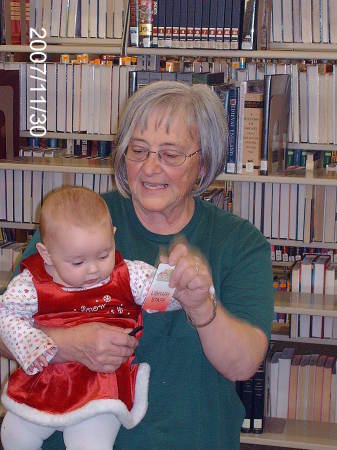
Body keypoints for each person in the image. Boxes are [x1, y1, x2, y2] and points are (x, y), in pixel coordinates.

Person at [1, 81, 274, 450]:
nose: (149, 168)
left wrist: (200, 307)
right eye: (138, 150)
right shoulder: (78, 223)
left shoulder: (238, 242)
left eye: (170, 154)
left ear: (203, 163)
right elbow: (5, 324)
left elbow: (242, 365)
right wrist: (69, 344)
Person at [0, 185, 208, 450]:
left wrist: (181, 282)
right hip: (46, 382)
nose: (94, 269)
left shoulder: (126, 275)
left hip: (101, 386)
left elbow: (160, 296)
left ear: (112, 236)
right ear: (46, 255)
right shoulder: (32, 284)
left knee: (90, 442)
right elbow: (5, 313)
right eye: (77, 262)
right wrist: (38, 345)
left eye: (103, 254)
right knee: (15, 434)